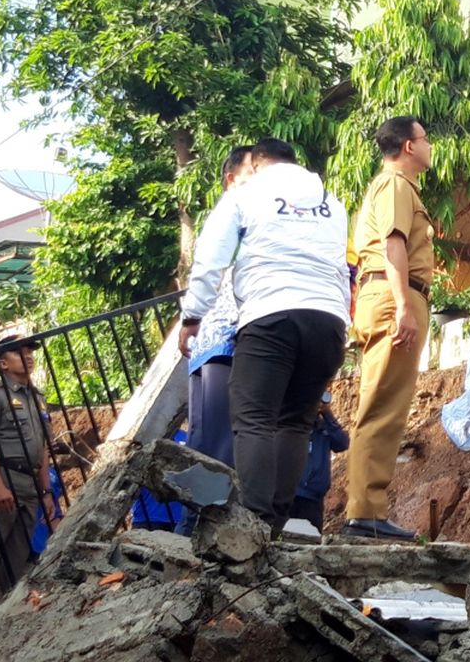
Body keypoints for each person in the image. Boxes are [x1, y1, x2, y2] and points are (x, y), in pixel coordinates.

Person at [179, 138, 349, 534]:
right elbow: (340, 267)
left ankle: (253, 522)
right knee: (295, 421)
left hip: (271, 315)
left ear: (254, 164)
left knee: (254, 417)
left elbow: (211, 255)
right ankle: (275, 521)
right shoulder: (332, 203)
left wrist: (193, 315)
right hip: (328, 321)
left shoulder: (247, 192)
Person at [343, 116, 434, 540]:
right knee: (383, 405)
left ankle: (367, 510)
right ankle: (365, 512)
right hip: (393, 293)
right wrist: (403, 306)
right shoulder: (396, 184)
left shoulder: (392, 186)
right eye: (425, 139)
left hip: (388, 293)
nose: (430, 146)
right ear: (409, 147)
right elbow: (392, 243)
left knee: (384, 403)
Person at [177, 146, 253, 535]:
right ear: (231, 178)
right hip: (221, 338)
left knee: (212, 442)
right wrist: (191, 317)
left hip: (220, 341)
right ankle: (197, 533)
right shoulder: (237, 208)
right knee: (216, 447)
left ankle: (198, 529)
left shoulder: (251, 209)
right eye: (253, 169)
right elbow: (208, 267)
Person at [0, 335, 53, 601]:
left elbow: (43, 448)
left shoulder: (37, 398)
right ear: (3, 362)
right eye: (19, 352)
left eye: (30, 351)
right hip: (5, 476)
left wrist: (46, 491)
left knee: (19, 546)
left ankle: (10, 600)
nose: (28, 356)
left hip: (30, 483)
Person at [291, 392, 350, 532]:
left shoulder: (324, 428)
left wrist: (327, 414)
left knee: (311, 539)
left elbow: (342, 443)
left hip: (313, 498)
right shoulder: (290, 426)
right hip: (290, 495)